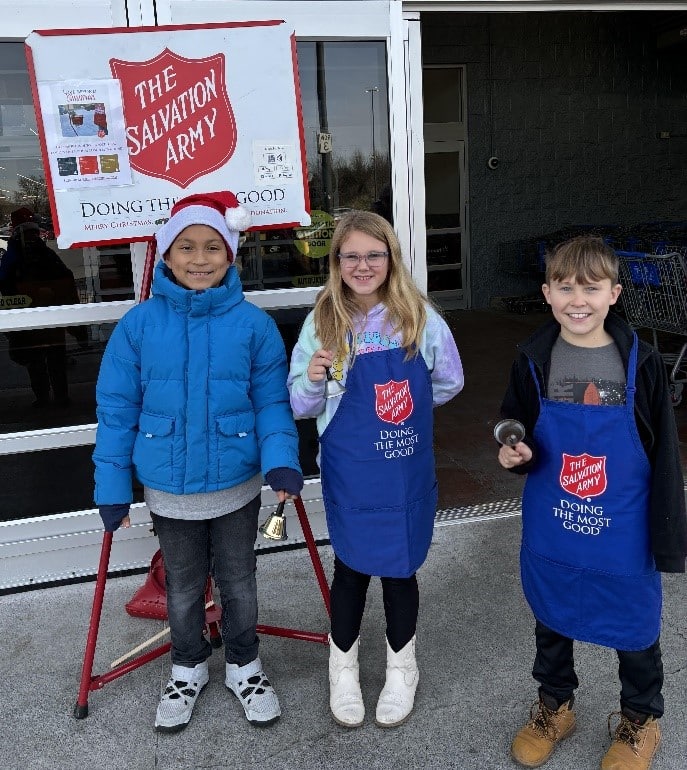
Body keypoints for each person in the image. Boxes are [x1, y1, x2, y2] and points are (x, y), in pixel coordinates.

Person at [92, 191, 303, 733]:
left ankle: (243, 663)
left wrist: (281, 461)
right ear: (165, 256)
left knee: (239, 581)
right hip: (169, 487)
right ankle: (187, 665)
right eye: (186, 247)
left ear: (231, 256)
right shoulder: (138, 327)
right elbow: (117, 412)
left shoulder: (253, 326)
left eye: (213, 247)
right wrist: (112, 485)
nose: (200, 258)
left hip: (236, 483)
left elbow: (271, 403)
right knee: (184, 586)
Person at [496, 235, 687, 770]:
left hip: (623, 525)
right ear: (547, 293)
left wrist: (669, 536)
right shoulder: (535, 358)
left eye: (591, 287)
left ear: (614, 294)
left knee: (634, 623)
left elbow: (664, 454)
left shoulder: (641, 364)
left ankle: (640, 718)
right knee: (552, 612)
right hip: (556, 519)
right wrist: (515, 448)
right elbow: (513, 419)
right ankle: (555, 706)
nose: (577, 300)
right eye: (565, 287)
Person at [288, 210, 464, 728]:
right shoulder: (322, 321)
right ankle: (341, 668)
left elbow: (449, 381)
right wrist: (316, 379)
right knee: (351, 569)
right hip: (350, 468)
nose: (362, 266)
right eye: (351, 256)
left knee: (400, 568)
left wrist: (403, 416)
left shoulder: (420, 318)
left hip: (404, 469)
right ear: (337, 263)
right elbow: (299, 404)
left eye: (374, 255)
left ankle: (400, 668)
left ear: (390, 259)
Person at [0, 207, 87, 407]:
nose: (32, 237)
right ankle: (48, 397)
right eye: (29, 233)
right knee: (38, 360)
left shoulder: (27, 253)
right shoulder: (29, 253)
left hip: (44, 316)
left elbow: (4, 280)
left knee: (48, 359)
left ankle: (55, 397)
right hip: (38, 316)